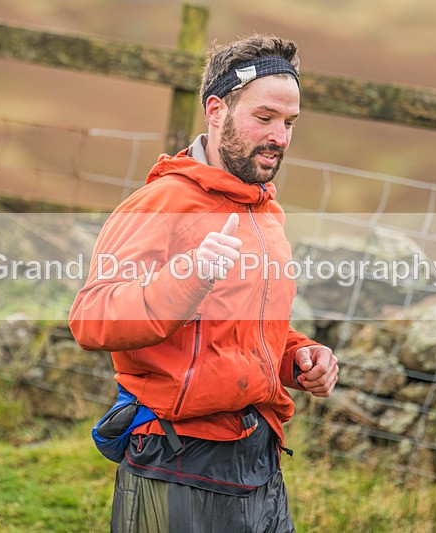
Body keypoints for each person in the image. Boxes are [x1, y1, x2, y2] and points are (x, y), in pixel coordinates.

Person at [69, 33, 339, 532]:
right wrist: (189, 277)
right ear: (216, 111)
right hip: (175, 460)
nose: (280, 136)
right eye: (264, 118)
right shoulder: (162, 203)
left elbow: (243, 330)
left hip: (259, 458)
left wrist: (298, 357)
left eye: (289, 122)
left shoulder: (265, 211)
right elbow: (92, 318)